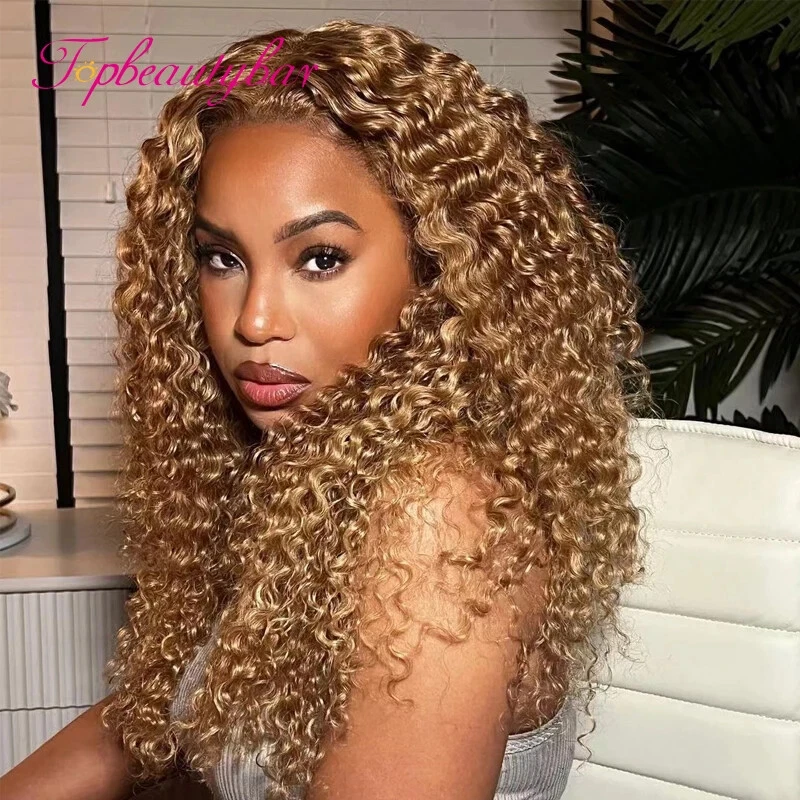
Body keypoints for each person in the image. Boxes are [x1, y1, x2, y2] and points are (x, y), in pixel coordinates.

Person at [0, 18, 652, 800]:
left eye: (319, 259)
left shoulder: (438, 517)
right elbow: (150, 714)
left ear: (439, 269)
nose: (253, 321)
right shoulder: (303, 468)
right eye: (222, 258)